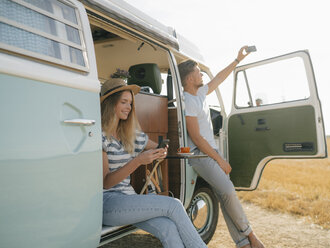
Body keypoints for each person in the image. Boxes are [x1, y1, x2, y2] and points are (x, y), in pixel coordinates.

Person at [100, 77, 207, 248]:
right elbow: (106, 182)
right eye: (124, 102)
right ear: (111, 103)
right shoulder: (101, 136)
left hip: (129, 199)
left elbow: (157, 146)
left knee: (169, 227)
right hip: (108, 204)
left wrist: (160, 152)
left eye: (130, 103)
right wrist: (138, 161)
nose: (129, 107)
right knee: (174, 205)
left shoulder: (129, 134)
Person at [178, 46, 265, 248]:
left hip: (210, 152)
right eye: (198, 71)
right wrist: (219, 159)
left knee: (224, 195)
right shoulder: (188, 101)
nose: (202, 74)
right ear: (190, 78)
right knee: (227, 191)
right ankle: (251, 236)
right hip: (199, 154)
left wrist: (237, 60)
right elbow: (196, 138)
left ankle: (242, 242)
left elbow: (218, 78)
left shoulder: (199, 93)